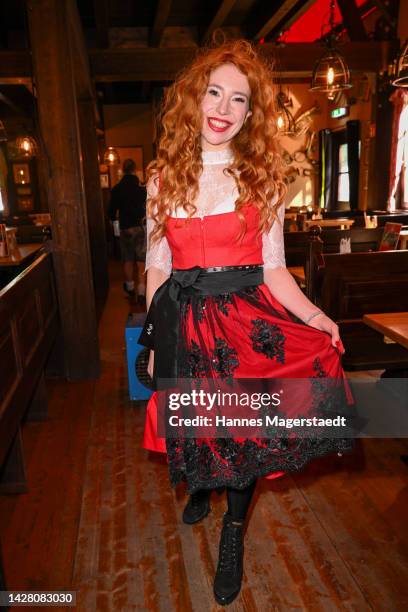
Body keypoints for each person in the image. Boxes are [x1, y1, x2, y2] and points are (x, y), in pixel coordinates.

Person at [139, 40, 354, 606]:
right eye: (215, 92)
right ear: (194, 97)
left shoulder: (264, 179)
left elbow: (275, 269)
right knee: (196, 425)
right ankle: (200, 489)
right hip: (185, 323)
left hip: (245, 326)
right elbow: (157, 267)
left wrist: (315, 315)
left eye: (239, 99)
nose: (224, 108)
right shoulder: (162, 178)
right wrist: (156, 341)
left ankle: (233, 529)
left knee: (245, 438)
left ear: (251, 113)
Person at [108, 158, 147, 304]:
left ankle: (130, 288)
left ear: (123, 170)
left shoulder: (117, 189)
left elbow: (111, 211)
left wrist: (113, 220)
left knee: (128, 259)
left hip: (125, 228)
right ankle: (142, 290)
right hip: (140, 227)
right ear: (134, 170)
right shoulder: (141, 189)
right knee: (141, 260)